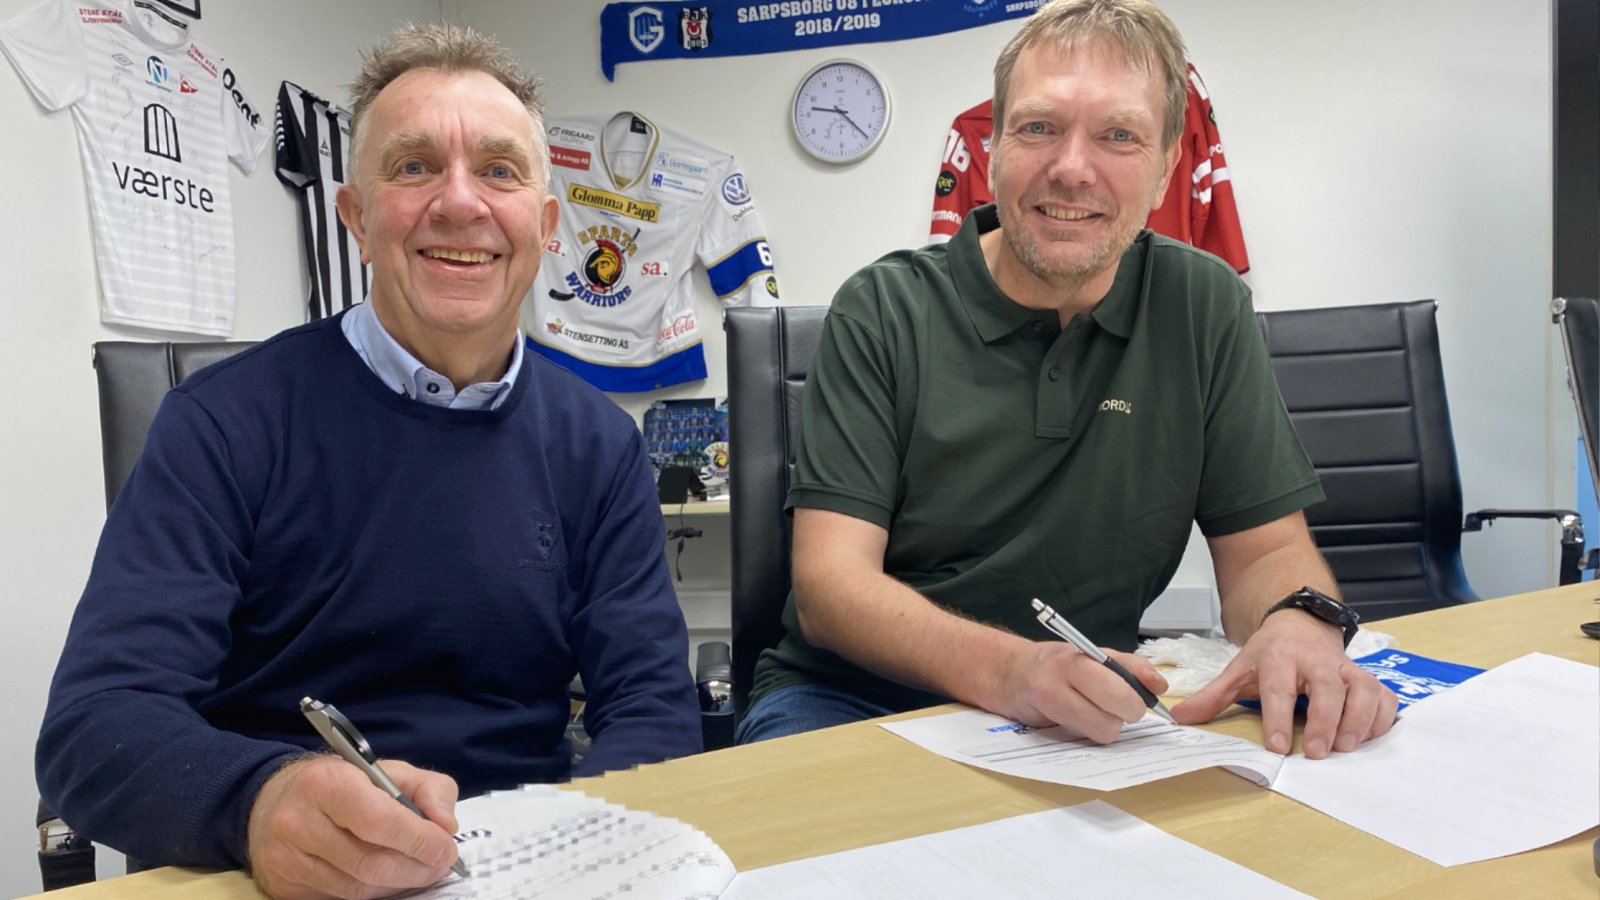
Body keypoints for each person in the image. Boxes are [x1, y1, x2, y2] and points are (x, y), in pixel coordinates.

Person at [36, 24, 701, 898]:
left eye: (499, 171)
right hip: (276, 873)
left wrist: (582, 852)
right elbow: (93, 730)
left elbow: (653, 706)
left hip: (522, 868)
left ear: (545, 227)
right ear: (355, 217)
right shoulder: (220, 423)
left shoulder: (601, 446)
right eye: (414, 166)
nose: (459, 202)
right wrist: (259, 801)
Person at [739, 0, 1398, 764]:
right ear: (993, 150)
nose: (1073, 168)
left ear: (1166, 168)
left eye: (1118, 135)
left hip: (1083, 711)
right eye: (1039, 127)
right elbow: (830, 590)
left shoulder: (1204, 305)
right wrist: (1014, 671)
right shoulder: (882, 308)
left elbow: (1263, 554)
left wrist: (1296, 622)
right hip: (853, 699)